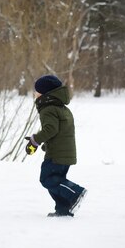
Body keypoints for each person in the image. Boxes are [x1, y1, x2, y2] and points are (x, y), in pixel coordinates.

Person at [24, 75, 87, 217]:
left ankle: (75, 192)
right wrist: (46, 144)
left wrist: (35, 140)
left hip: (57, 154)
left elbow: (50, 130)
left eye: (37, 91)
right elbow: (60, 132)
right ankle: (63, 209)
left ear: (45, 93)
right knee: (56, 181)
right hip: (64, 152)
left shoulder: (48, 109)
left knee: (47, 179)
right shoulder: (62, 108)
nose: (34, 93)